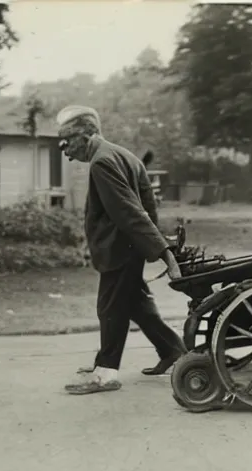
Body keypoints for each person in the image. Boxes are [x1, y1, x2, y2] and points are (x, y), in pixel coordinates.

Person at [57, 105, 186, 396]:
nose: (64, 151)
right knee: (136, 305)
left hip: (120, 250)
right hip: (130, 248)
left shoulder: (102, 162)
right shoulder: (123, 155)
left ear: (86, 135)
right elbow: (146, 206)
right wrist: (152, 243)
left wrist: (165, 252)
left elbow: (129, 213)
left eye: (66, 142)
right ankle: (173, 350)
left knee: (110, 308)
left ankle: (105, 373)